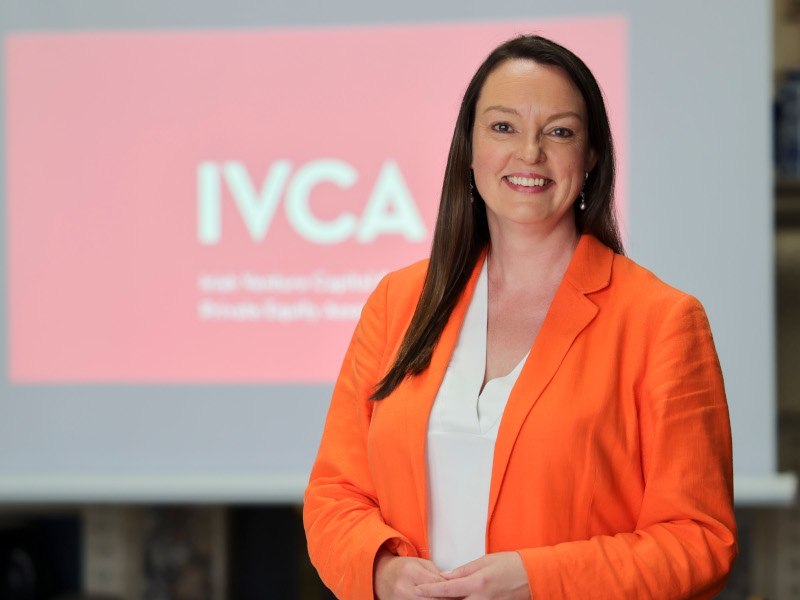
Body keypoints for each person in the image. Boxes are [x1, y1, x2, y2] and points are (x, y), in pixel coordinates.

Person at [303, 35, 737, 599]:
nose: (529, 154)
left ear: (592, 156)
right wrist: (380, 570)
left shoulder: (663, 321)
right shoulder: (397, 303)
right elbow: (334, 494)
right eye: (503, 127)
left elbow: (700, 539)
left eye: (559, 131)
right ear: (469, 148)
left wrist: (542, 581)